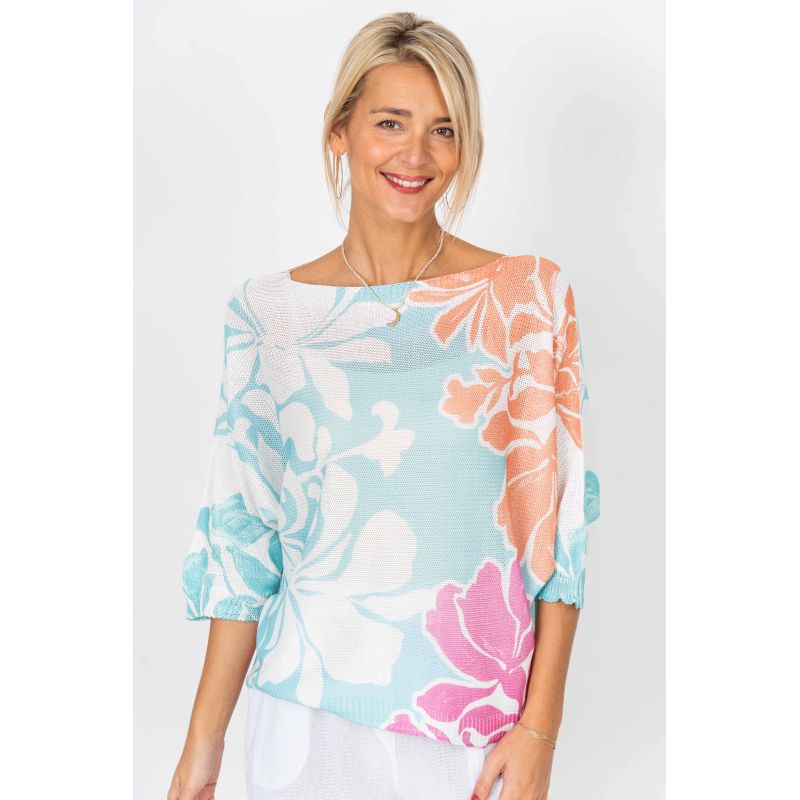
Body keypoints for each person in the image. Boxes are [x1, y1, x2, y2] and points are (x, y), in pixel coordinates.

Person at [168, 11, 601, 800]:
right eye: (390, 123)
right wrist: (204, 744)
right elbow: (241, 542)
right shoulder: (269, 317)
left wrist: (540, 729)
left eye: (444, 130)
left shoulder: (526, 301)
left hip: (471, 727)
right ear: (340, 132)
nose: (416, 154)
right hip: (301, 713)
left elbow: (559, 534)